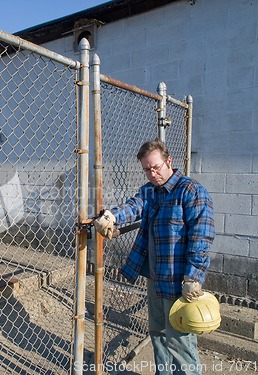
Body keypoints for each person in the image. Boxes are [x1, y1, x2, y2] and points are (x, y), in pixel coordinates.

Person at [94, 139, 215, 375]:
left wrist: (193, 277)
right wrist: (112, 216)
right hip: (155, 278)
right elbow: (134, 205)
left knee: (180, 340)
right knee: (158, 333)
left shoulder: (191, 192)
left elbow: (202, 237)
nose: (152, 173)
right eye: (147, 169)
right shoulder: (149, 191)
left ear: (169, 161)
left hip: (179, 281)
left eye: (156, 167)